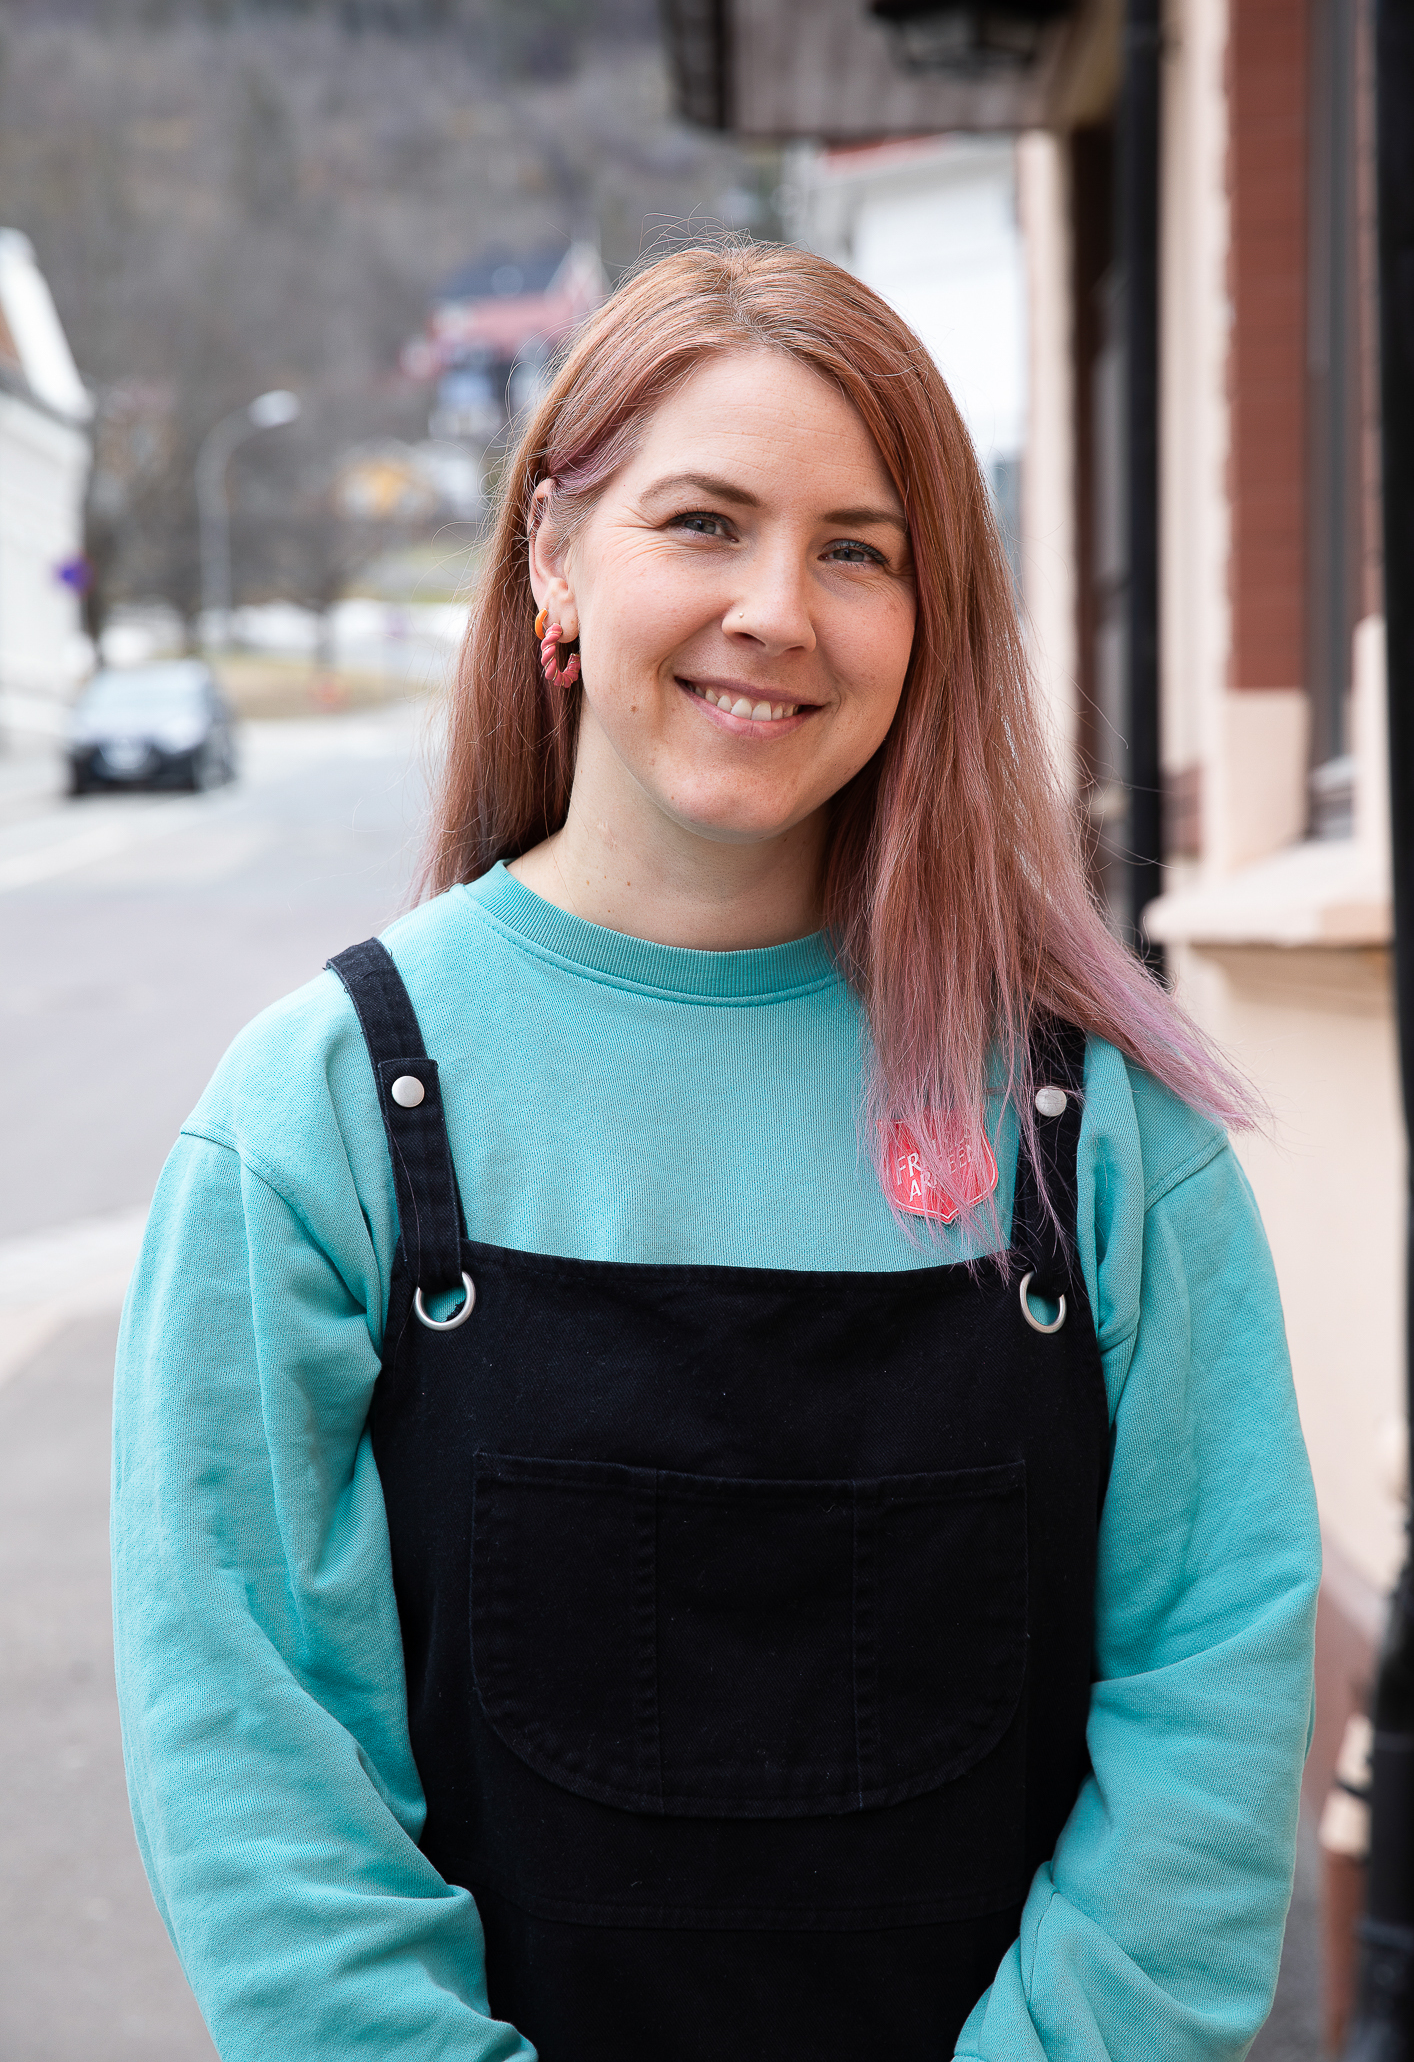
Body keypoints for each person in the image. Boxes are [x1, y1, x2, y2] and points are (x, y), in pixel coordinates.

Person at [112, 243, 1320, 2062]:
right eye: (703, 521)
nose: (778, 607)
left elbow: (1209, 1690)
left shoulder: (1098, 1130)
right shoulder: (323, 1121)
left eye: (858, 548)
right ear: (551, 557)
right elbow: (257, 1763)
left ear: (927, 623)